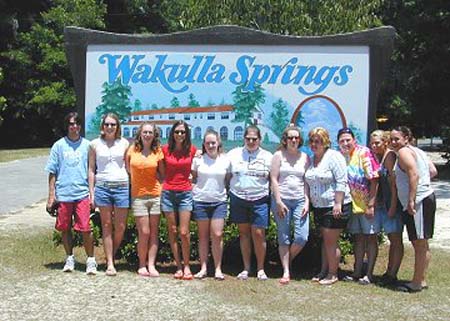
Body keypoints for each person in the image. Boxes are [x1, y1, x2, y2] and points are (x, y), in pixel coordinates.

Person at [45, 112, 97, 275]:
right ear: (67, 126)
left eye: (77, 124)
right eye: (71, 124)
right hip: (64, 194)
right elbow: (52, 172)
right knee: (65, 228)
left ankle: (91, 260)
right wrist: (51, 196)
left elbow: (90, 171)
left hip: (81, 193)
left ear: (80, 126)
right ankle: (69, 258)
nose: (74, 127)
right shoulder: (58, 146)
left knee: (86, 228)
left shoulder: (88, 145)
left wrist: (91, 194)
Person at [390, 126, 437, 292]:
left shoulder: (403, 152)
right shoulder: (419, 151)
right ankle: (421, 279)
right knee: (423, 241)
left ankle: (416, 283)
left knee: (419, 242)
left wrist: (411, 199)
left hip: (419, 201)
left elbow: (413, 174)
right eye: (392, 139)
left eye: (397, 139)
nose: (394, 142)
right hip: (425, 198)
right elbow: (432, 171)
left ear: (406, 139)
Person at [305, 127, 352, 285]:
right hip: (319, 207)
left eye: (317, 141)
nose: (314, 144)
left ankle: (333, 274)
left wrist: (338, 203)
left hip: (335, 206)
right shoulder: (312, 159)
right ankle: (323, 271)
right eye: (311, 141)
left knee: (331, 242)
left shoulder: (334, 156)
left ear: (325, 142)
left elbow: (341, 180)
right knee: (325, 241)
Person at [228, 125, 273, 280]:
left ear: (259, 140)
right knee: (244, 234)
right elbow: (225, 173)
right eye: (248, 138)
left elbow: (272, 179)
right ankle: (246, 268)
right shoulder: (233, 154)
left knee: (259, 234)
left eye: (254, 139)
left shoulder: (268, 156)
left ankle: (261, 269)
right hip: (238, 198)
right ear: (244, 139)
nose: (251, 141)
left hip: (260, 199)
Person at [337, 127, 380, 285]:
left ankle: (368, 274)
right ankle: (357, 271)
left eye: (348, 140)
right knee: (359, 239)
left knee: (371, 238)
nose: (346, 143)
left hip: (367, 205)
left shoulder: (364, 153)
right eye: (342, 141)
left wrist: (371, 204)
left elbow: (374, 179)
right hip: (352, 205)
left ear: (354, 140)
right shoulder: (341, 156)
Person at [89, 113, 129, 276]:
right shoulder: (94, 144)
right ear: (102, 126)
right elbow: (91, 169)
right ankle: (110, 263)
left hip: (122, 186)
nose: (110, 127)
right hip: (103, 187)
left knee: (120, 227)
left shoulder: (124, 143)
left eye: (113, 124)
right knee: (106, 225)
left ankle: (110, 254)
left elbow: (129, 165)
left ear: (117, 126)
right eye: (107, 124)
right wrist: (92, 192)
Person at [270, 125, 310, 285]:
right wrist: (278, 201)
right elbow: (273, 178)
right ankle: (286, 270)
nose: (293, 140)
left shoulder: (305, 157)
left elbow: (307, 180)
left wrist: (307, 200)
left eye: (296, 138)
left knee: (302, 237)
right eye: (290, 138)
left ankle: (286, 259)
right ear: (285, 140)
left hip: (300, 199)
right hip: (282, 200)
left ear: (300, 140)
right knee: (284, 237)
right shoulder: (278, 155)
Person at [191, 130, 231, 280]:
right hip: (200, 201)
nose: (210, 145)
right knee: (202, 236)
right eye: (207, 143)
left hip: (219, 202)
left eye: (213, 142)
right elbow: (194, 178)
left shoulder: (226, 160)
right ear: (204, 144)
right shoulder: (198, 160)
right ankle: (203, 268)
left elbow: (228, 179)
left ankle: (218, 268)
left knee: (217, 235)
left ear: (218, 143)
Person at [125, 122, 164, 277]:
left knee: (154, 232)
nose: (147, 135)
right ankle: (141, 265)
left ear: (154, 135)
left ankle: (151, 265)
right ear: (140, 134)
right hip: (138, 196)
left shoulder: (158, 151)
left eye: (150, 132)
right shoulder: (132, 149)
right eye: (145, 132)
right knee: (144, 232)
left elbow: (162, 174)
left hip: (155, 195)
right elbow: (128, 168)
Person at [161, 120, 197, 280]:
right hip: (168, 193)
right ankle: (179, 266)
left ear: (187, 134)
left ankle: (187, 265)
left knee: (184, 232)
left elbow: (199, 169)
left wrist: (194, 183)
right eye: (177, 132)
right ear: (172, 133)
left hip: (185, 193)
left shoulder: (193, 151)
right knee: (173, 231)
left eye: (183, 132)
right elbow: (159, 170)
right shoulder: (164, 150)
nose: (180, 135)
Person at [369, 130, 404, 285]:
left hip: (391, 204)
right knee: (382, 237)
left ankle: (392, 273)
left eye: (377, 142)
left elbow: (394, 184)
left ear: (385, 142)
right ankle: (387, 272)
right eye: (372, 143)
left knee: (395, 239)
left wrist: (393, 206)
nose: (374, 145)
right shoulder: (376, 157)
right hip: (381, 204)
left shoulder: (389, 156)